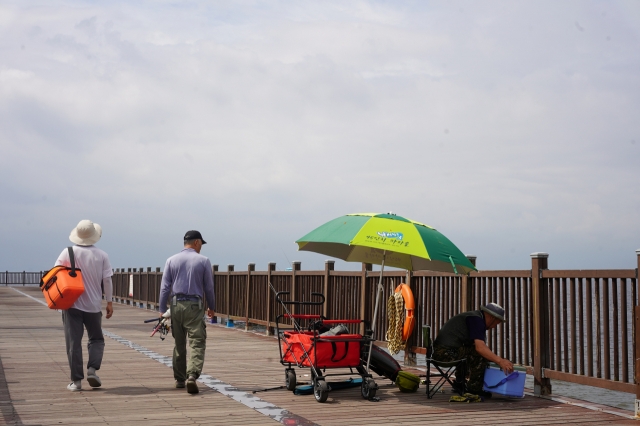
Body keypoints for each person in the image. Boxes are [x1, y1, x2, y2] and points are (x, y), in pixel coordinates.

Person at [55, 220, 114, 391]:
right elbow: (107, 280)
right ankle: (92, 369)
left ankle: (76, 381)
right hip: (94, 305)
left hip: (71, 304)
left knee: (74, 342)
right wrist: (109, 302)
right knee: (96, 339)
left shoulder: (67, 253)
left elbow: (56, 274)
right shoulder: (102, 255)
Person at [159, 230, 215, 394]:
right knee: (197, 341)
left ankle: (179, 379)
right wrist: (211, 307)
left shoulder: (171, 260)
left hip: (175, 305)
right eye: (201, 245)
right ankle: (192, 375)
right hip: (194, 306)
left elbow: (164, 287)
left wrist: (162, 310)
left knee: (179, 343)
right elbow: (209, 287)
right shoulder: (203, 261)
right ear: (197, 242)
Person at [432, 302, 514, 398]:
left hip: (439, 353)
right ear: (492, 318)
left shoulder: (474, 317)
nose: (494, 327)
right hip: (445, 354)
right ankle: (474, 389)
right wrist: (500, 361)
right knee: (479, 354)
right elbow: (480, 348)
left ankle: (460, 382)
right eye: (497, 323)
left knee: (469, 349)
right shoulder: (477, 320)